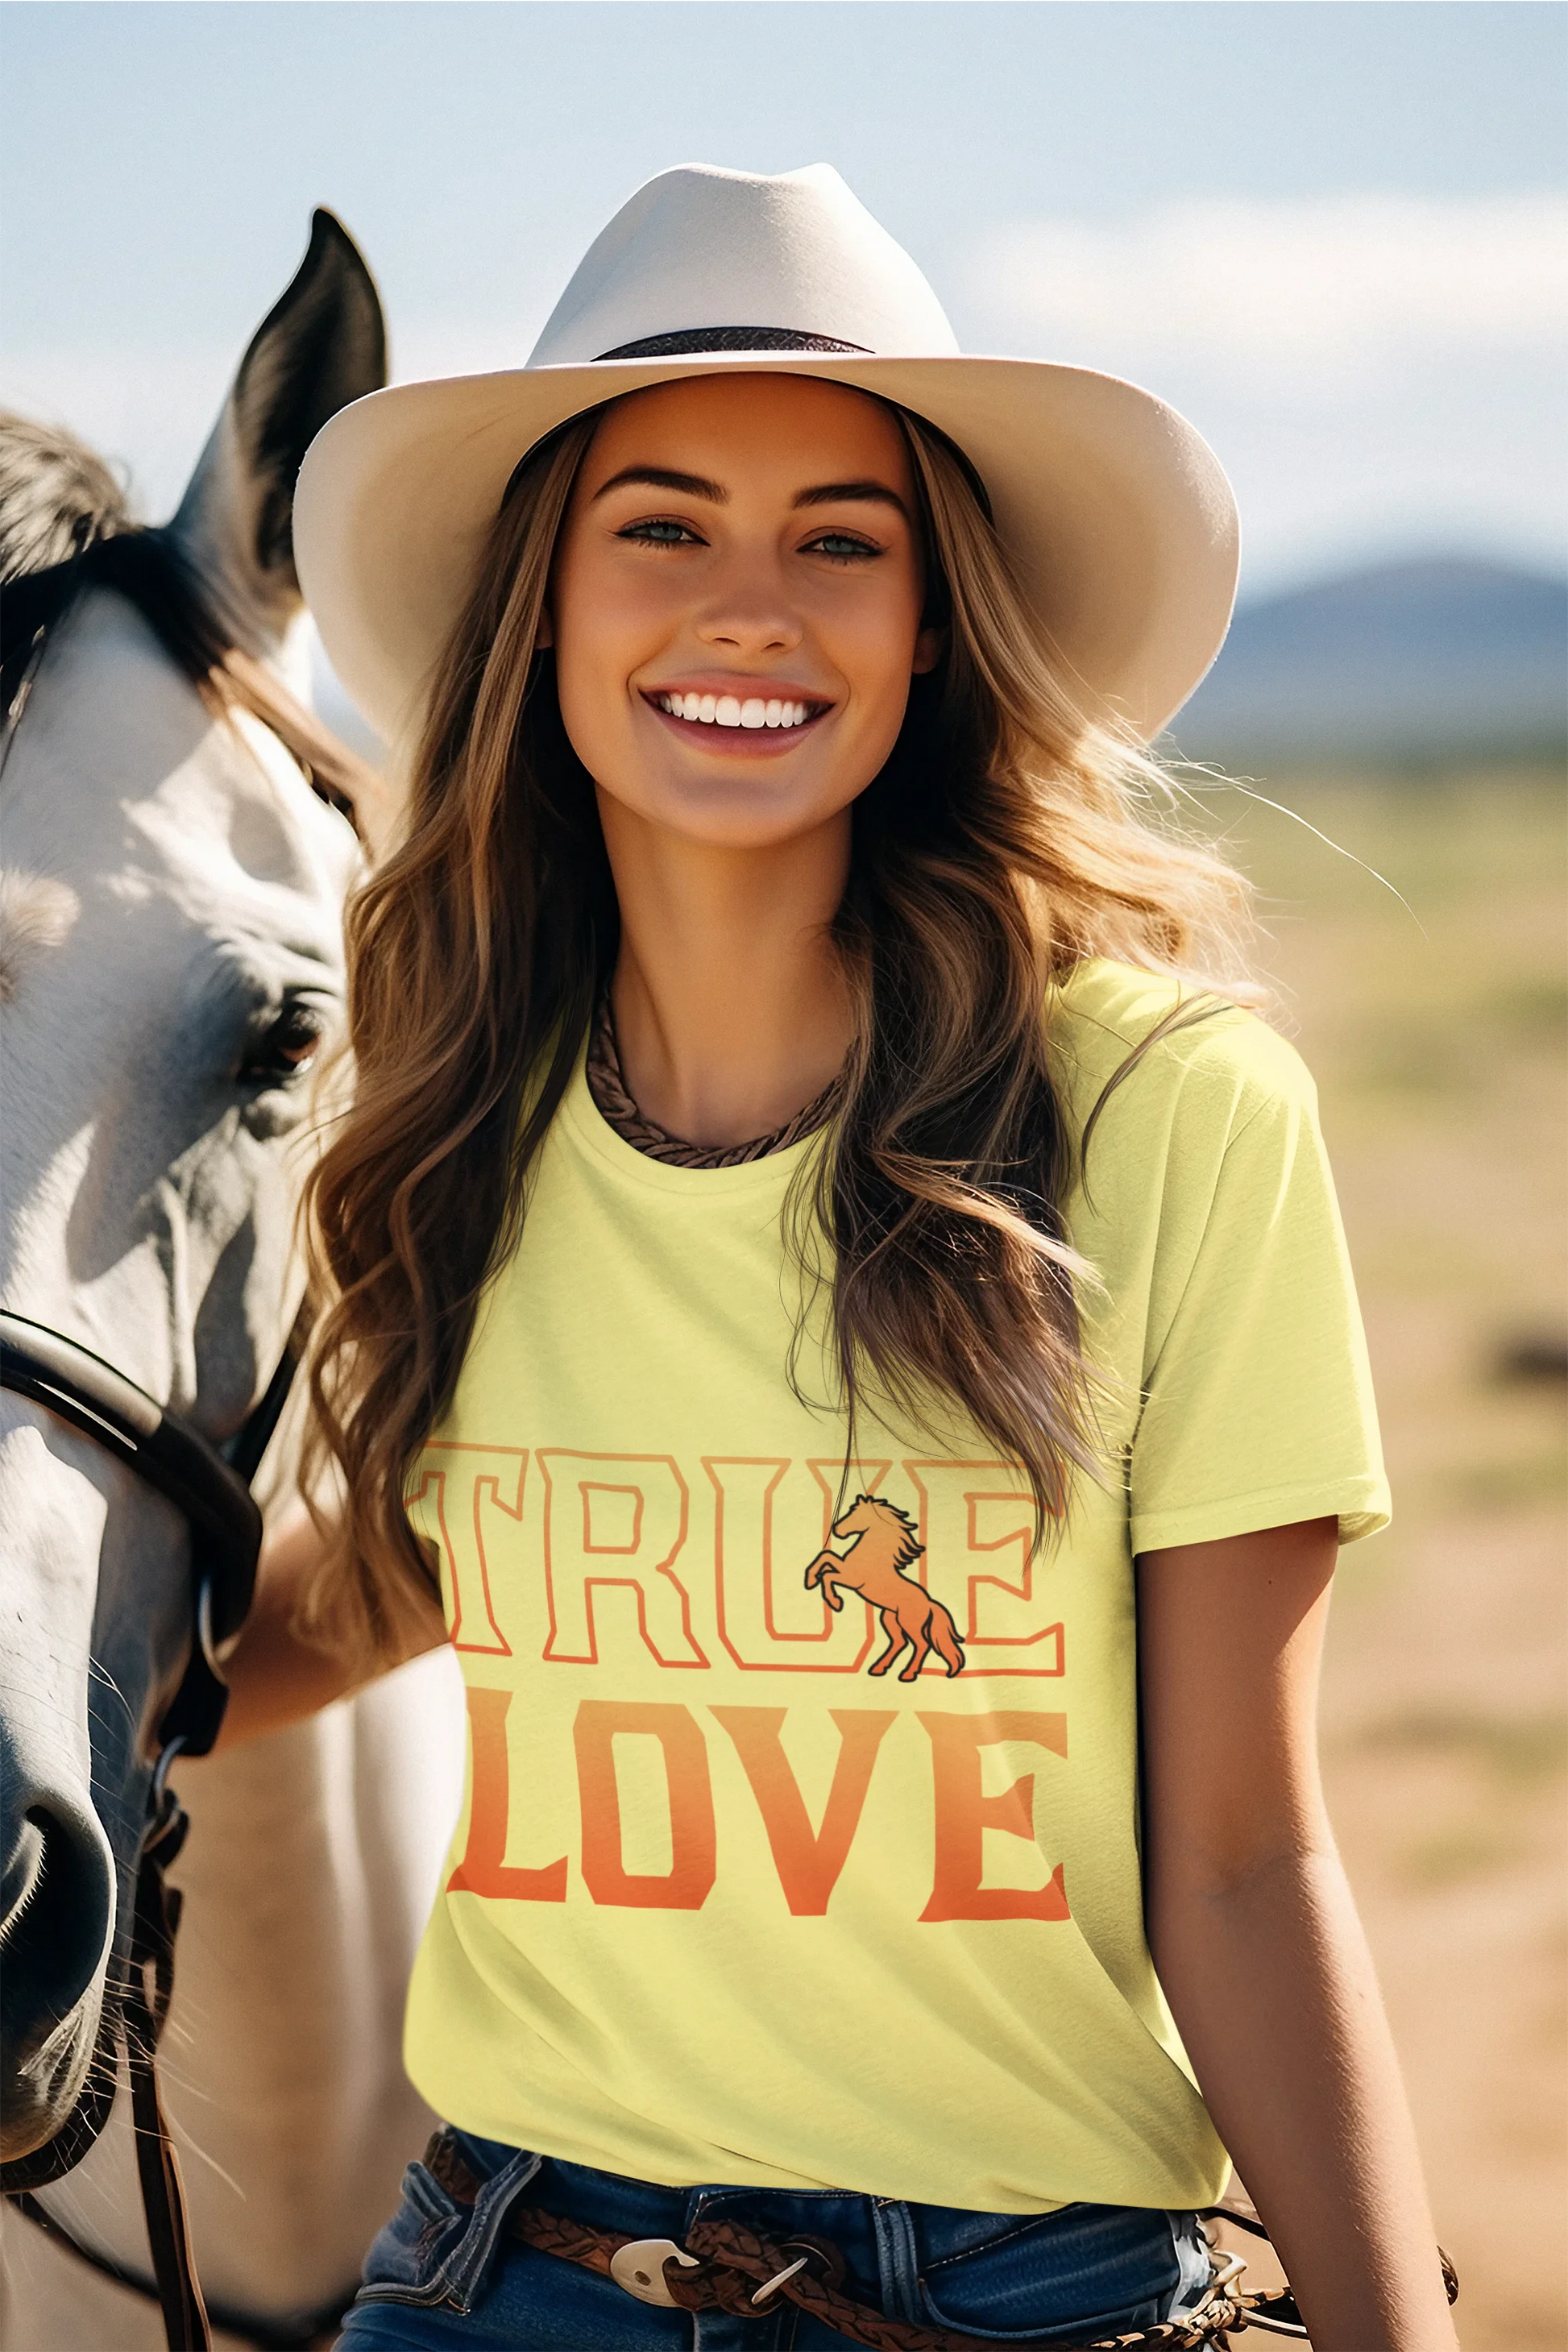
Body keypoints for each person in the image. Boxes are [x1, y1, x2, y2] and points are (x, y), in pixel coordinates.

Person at [224, 164, 1458, 2350]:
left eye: (842, 542)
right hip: (510, 2264)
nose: (751, 606)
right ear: (549, 604)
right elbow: (388, 1589)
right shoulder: (456, 1112)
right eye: (665, 525)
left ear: (931, 622)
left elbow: (1247, 1855)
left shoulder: (1163, 1110)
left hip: (1014, 2293)